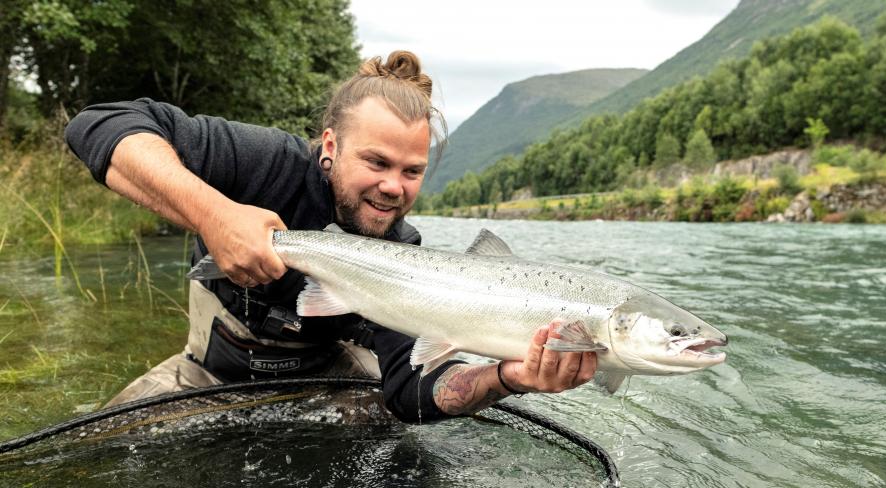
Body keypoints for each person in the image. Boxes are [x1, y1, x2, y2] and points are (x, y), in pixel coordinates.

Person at [64, 51, 596, 422]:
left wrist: (510, 376)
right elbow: (100, 124)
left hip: (331, 377)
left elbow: (410, 395)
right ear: (330, 146)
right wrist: (214, 215)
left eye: (412, 171)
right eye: (376, 162)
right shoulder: (268, 164)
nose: (393, 187)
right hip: (210, 371)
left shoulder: (401, 253)